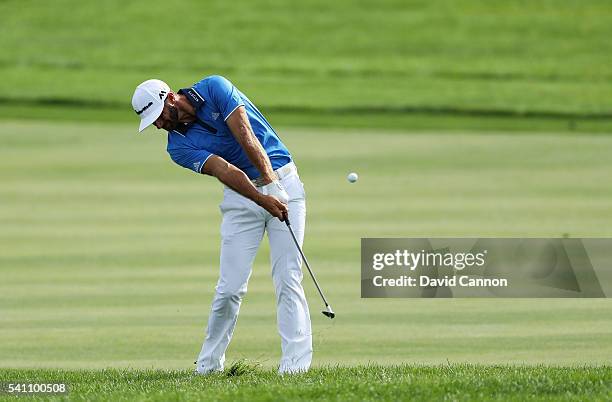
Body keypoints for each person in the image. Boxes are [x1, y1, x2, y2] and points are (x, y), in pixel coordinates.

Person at [131, 76, 312, 374]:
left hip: (284, 180)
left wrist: (271, 182)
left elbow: (245, 134)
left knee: (288, 277)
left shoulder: (215, 88)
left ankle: (295, 368)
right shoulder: (177, 147)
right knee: (229, 288)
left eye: (159, 116)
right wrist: (262, 197)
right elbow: (224, 169)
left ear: (170, 98)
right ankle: (209, 366)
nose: (159, 126)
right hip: (242, 199)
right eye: (153, 123)